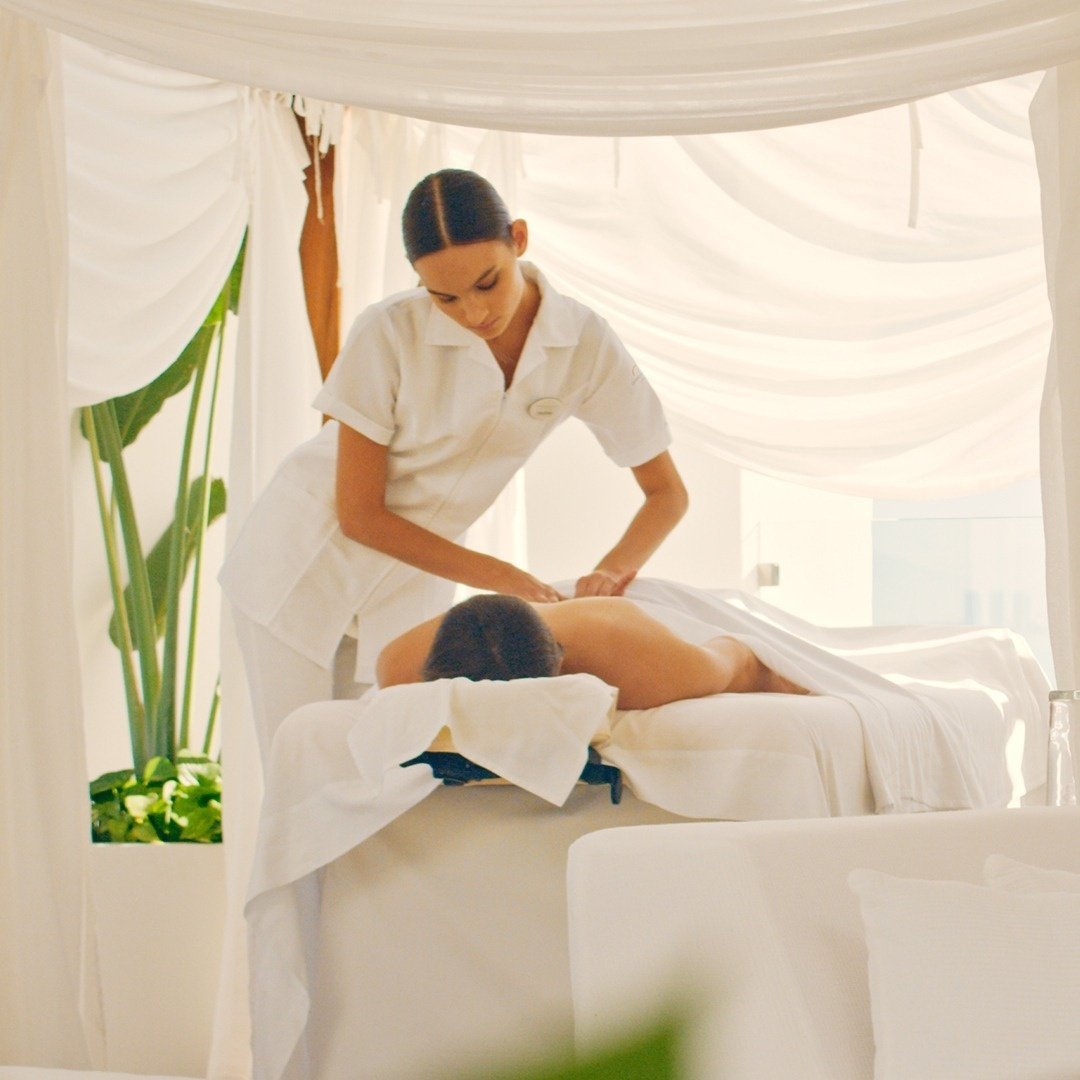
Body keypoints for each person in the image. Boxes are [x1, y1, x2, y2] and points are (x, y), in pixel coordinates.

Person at [219, 169, 688, 754]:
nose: (472, 313)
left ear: (518, 238)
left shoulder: (584, 343)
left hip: (414, 578)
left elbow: (667, 493)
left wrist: (610, 575)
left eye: (487, 284)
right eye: (444, 297)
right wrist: (507, 581)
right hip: (301, 559)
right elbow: (359, 515)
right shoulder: (388, 333)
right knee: (304, 769)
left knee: (401, 773)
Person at [376, 593, 810, 710]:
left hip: (638, 613)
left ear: (561, 666)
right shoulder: (399, 665)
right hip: (521, 606)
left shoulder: (639, 663)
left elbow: (744, 660)